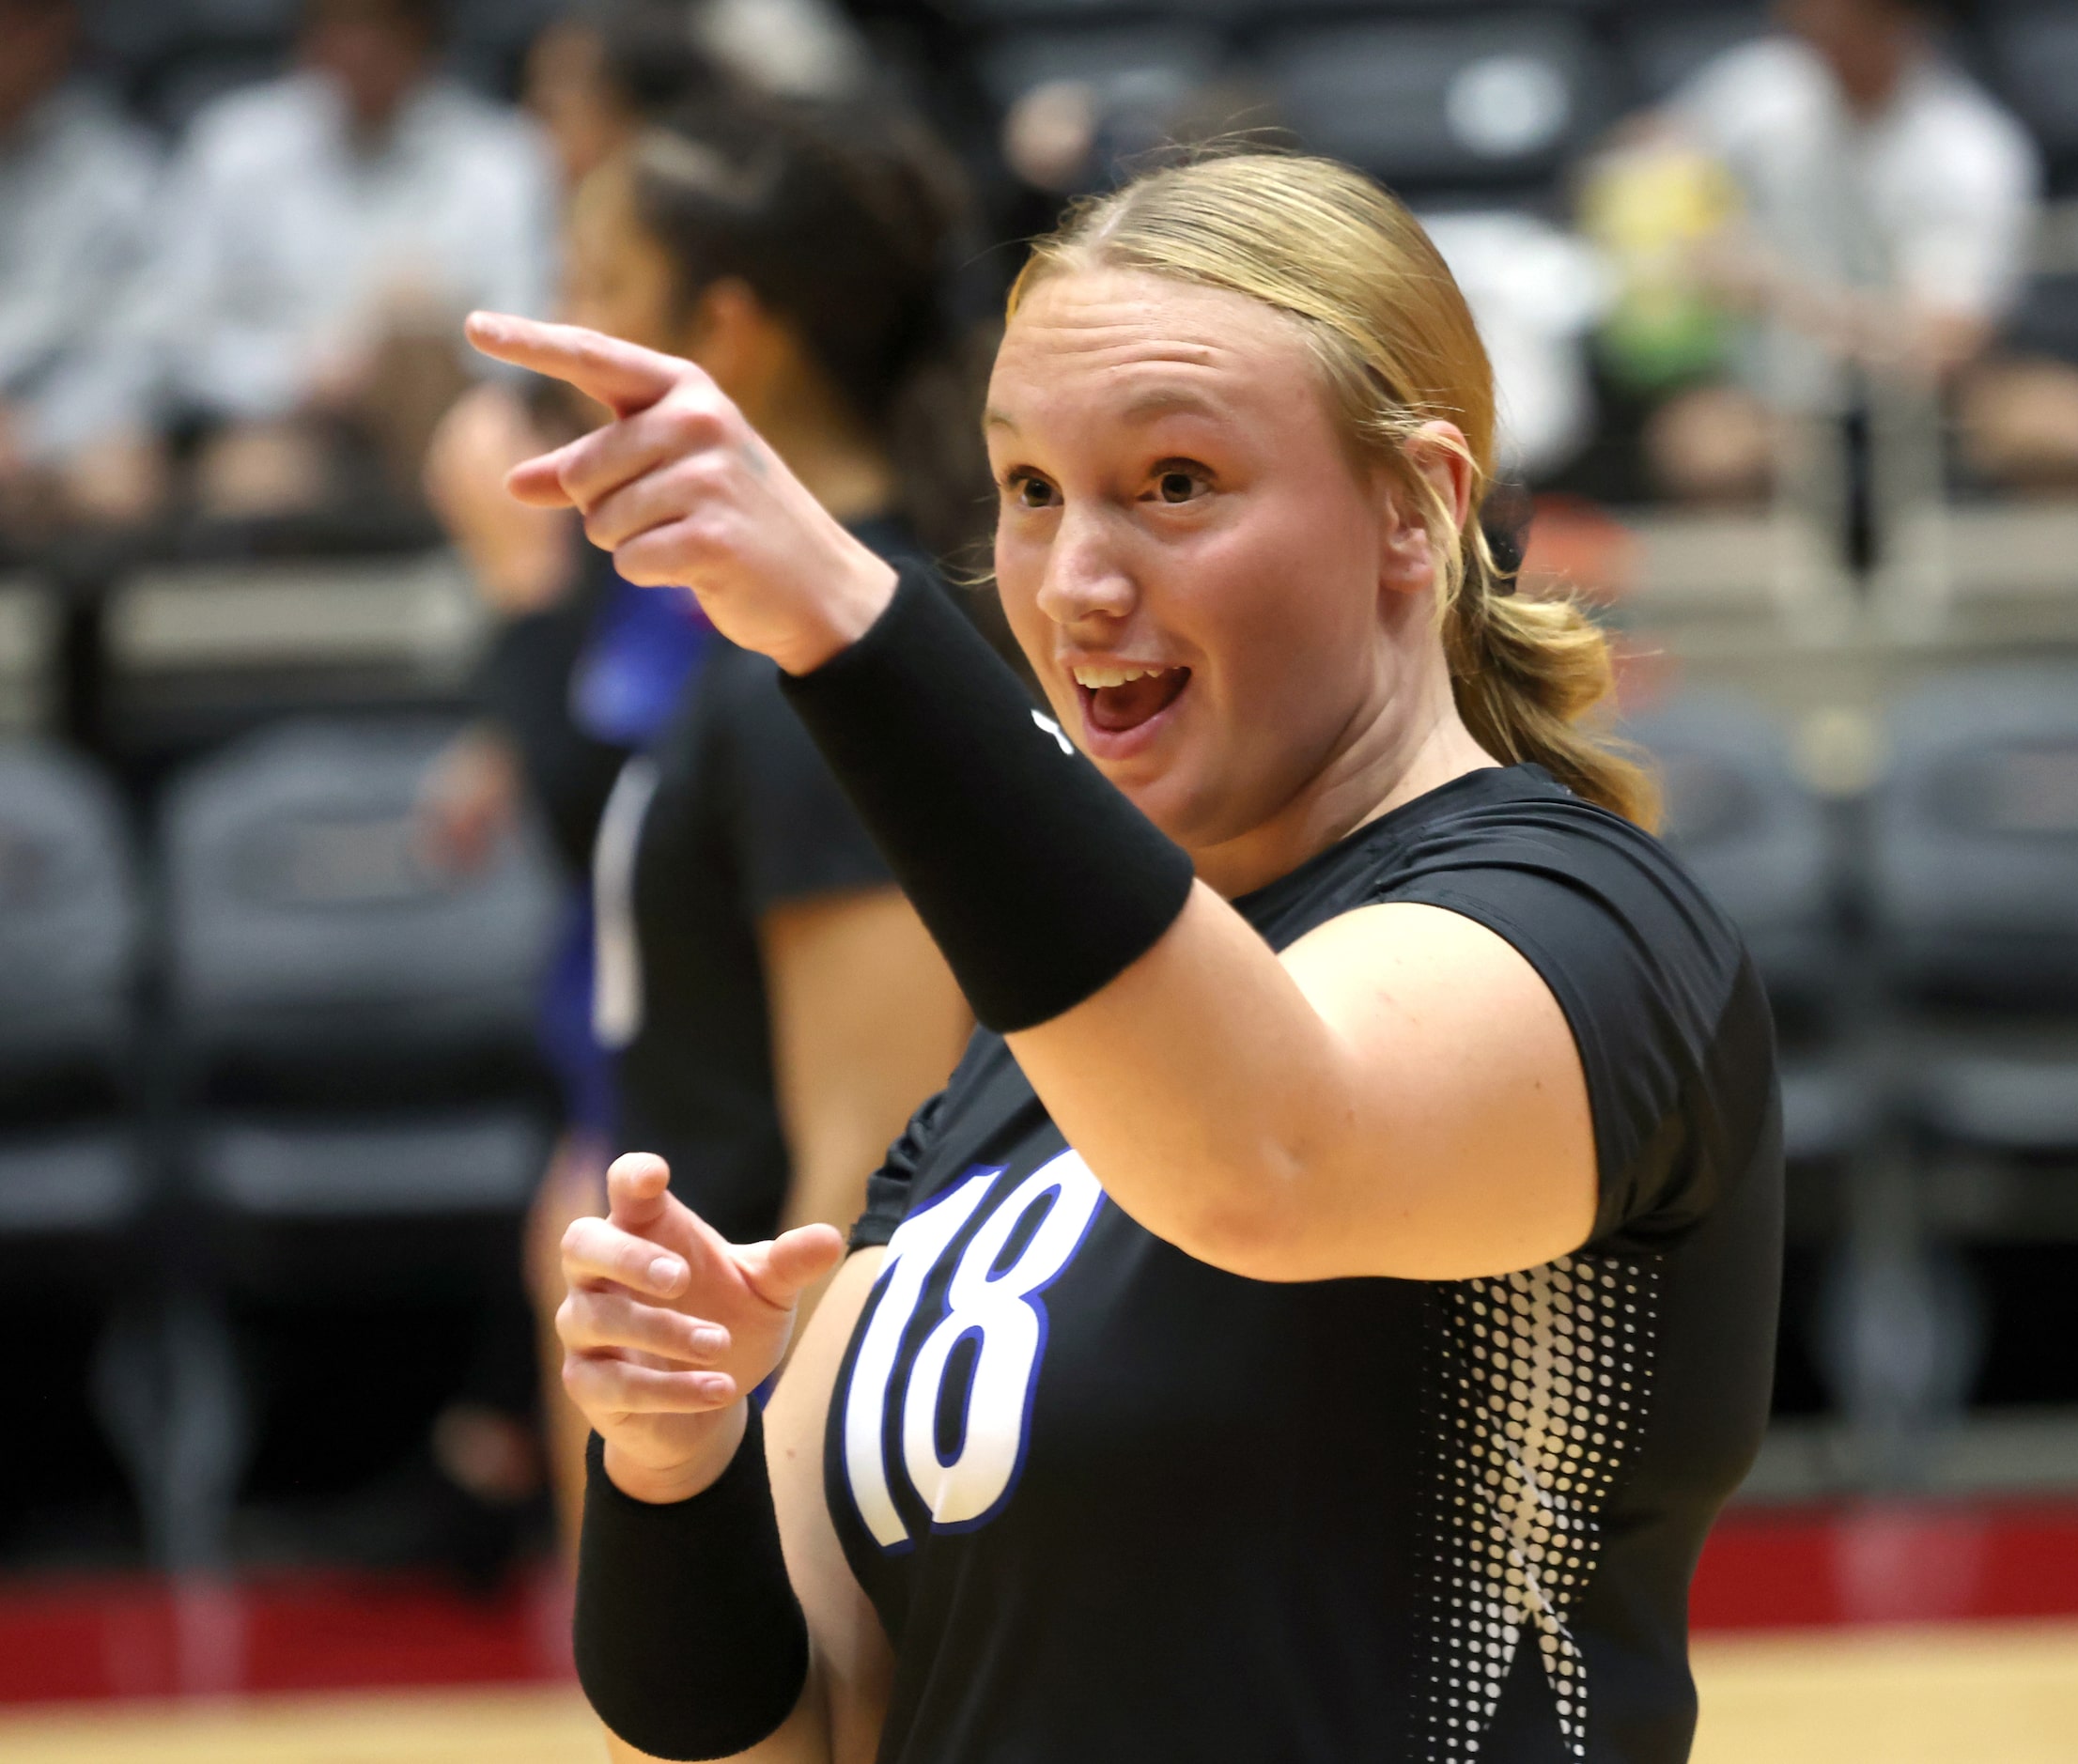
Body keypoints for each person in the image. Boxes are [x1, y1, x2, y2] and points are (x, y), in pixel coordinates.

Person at [474, 148, 1784, 1763]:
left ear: (1414, 506)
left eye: (1172, 483)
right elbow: (793, 1733)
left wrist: (838, 614)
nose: (1077, 584)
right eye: (1027, 491)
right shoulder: (1025, 1057)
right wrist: (673, 1466)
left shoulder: (1584, 922)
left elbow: (1271, 1153)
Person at [435, 91, 979, 1563]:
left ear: (727, 334)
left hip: (770, 1417)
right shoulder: (728, 626)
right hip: (674, 1363)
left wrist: (780, 1543)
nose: (558, 328)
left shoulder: (842, 664)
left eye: (599, 289)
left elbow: (864, 1171)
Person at [1606, 0, 2078, 502]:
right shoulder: (1762, 87)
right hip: (1771, 392)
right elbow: (1643, 153)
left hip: (1938, 404)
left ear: (1896, 24)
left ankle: (2032, 602)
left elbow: (1940, 349)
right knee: (1704, 447)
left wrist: (1778, 292)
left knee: (2072, 431)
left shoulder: (1970, 147)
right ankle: (1756, 602)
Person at [141, 0, 553, 518]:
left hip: (447, 410)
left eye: (381, 28)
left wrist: (421, 349)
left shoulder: (501, 156)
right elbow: (182, 334)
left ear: (425, 38)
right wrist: (299, 376)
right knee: (254, 481)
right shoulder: (234, 146)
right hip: (287, 419)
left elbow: (531, 327)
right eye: (341, 26)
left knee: (509, 455)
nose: (360, 48)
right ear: (307, 34)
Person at [0, 0, 163, 544]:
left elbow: (136, 348)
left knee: (117, 482)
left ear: (58, 33)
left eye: (18, 22)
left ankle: (83, 630)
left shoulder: (115, 170)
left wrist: (36, 434)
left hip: (53, 433)